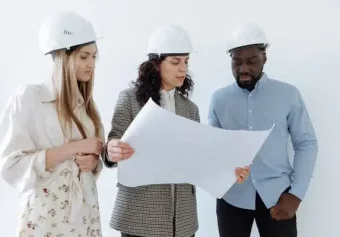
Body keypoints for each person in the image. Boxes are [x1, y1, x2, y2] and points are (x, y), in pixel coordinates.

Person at [101, 24, 250, 237]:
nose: (183, 68)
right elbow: (112, 144)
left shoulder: (190, 109)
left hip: (182, 220)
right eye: (175, 62)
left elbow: (199, 160)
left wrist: (230, 172)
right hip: (140, 215)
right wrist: (110, 150)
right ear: (156, 64)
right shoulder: (130, 99)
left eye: (186, 61)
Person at [0, 11, 105, 237]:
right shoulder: (29, 98)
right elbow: (11, 166)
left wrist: (93, 162)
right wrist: (74, 148)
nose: (91, 64)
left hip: (85, 214)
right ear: (62, 56)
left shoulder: (87, 106)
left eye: (94, 56)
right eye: (84, 56)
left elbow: (96, 158)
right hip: (46, 217)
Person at [208, 23, 318, 237]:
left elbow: (306, 143)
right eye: (237, 63)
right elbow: (213, 149)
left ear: (264, 58)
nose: (244, 69)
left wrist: (296, 194)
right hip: (231, 197)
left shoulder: (288, 94)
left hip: (279, 197)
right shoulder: (219, 100)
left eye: (251, 61)